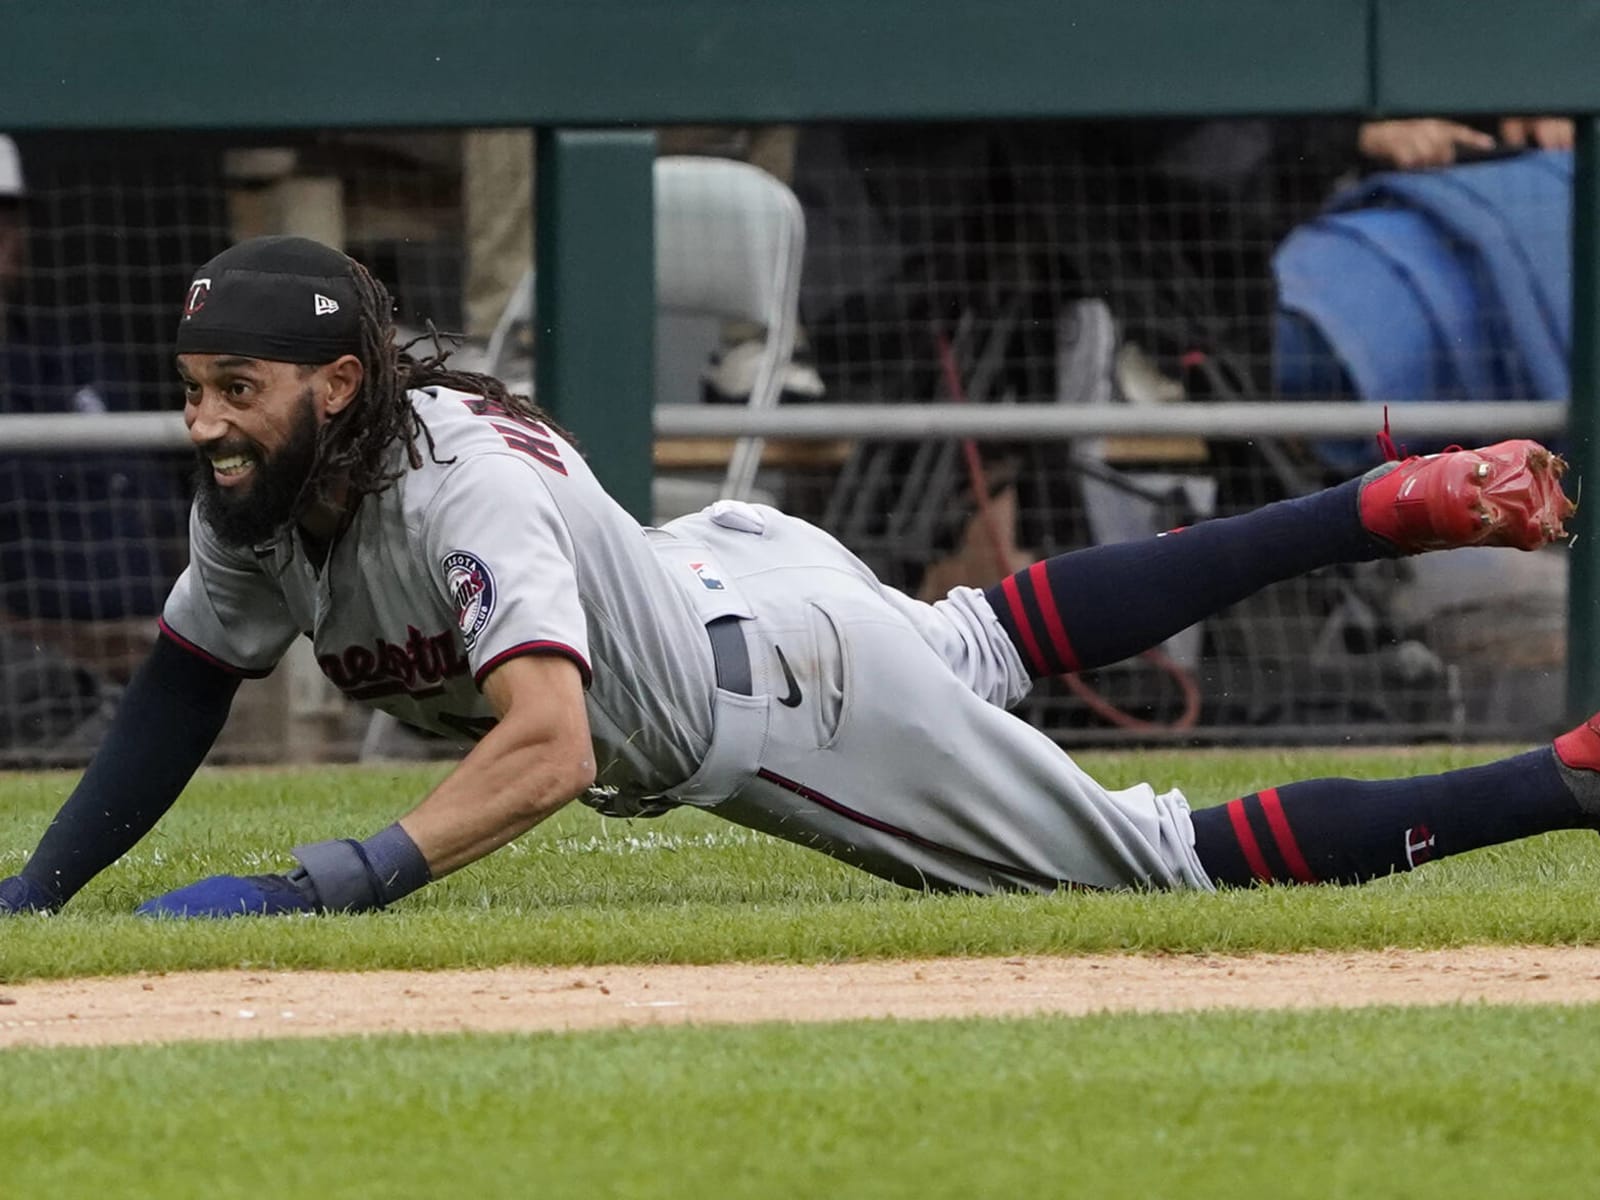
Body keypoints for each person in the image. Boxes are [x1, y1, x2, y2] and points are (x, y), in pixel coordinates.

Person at [0, 234, 1591, 918]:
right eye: (193, 385)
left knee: (1159, 864)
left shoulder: (457, 493)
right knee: (983, 633)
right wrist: (38, 899)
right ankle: (1378, 508)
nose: (202, 420)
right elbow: (183, 689)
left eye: (235, 389)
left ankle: (1567, 779)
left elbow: (546, 753)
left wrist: (323, 881)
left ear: (333, 385)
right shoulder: (270, 486)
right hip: (725, 573)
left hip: (785, 698)